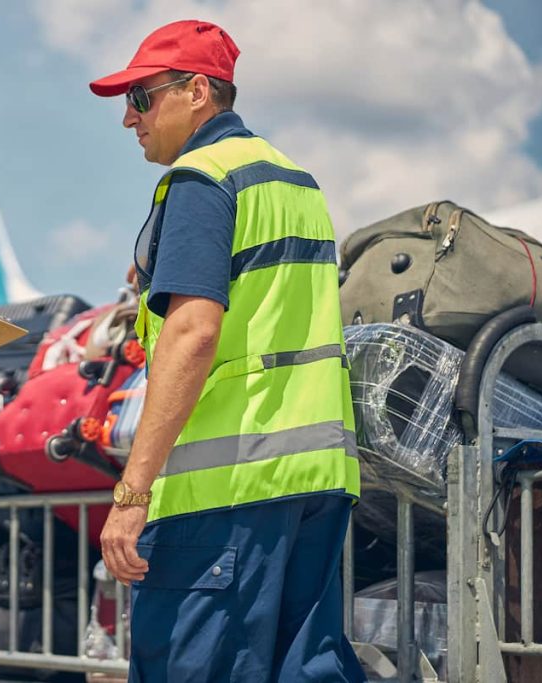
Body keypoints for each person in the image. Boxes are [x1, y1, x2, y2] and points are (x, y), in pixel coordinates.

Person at [90, 20, 365, 682]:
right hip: (316, 483)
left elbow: (193, 333)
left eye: (142, 97)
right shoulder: (296, 182)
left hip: (228, 486)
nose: (130, 118)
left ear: (198, 91)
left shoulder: (201, 179)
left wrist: (132, 491)